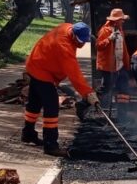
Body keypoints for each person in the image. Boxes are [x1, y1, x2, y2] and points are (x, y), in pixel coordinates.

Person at [23, 22, 100, 156]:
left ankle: (28, 134)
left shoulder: (67, 27)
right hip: (41, 71)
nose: (82, 45)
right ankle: (51, 146)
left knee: (34, 103)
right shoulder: (64, 47)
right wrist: (88, 93)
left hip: (36, 63)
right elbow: (74, 75)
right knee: (52, 106)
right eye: (81, 42)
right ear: (74, 36)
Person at [95, 8, 132, 107]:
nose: (123, 21)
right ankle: (90, 103)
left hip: (119, 65)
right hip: (108, 67)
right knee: (106, 88)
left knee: (123, 87)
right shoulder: (105, 31)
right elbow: (98, 46)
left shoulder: (120, 30)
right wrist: (109, 39)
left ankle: (123, 113)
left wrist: (127, 64)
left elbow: (123, 49)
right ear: (115, 21)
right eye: (121, 19)